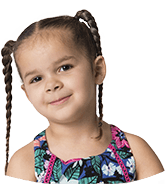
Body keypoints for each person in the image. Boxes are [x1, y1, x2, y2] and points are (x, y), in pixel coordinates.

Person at [1, 9, 164, 184]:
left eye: (64, 67)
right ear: (26, 93)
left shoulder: (134, 151)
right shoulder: (25, 163)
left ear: (97, 70)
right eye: (37, 79)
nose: (52, 85)